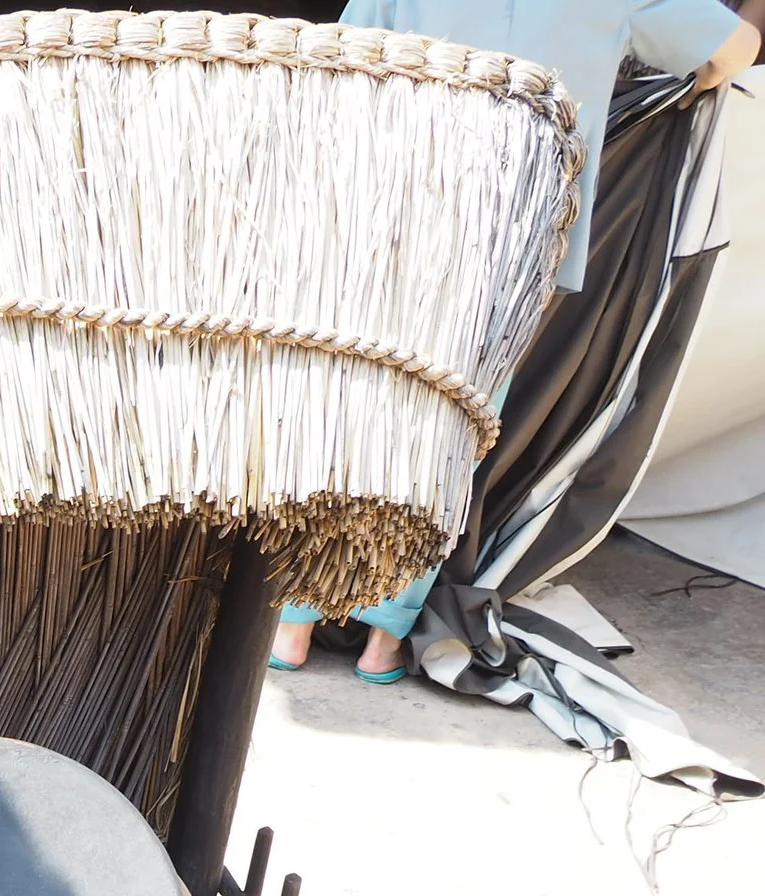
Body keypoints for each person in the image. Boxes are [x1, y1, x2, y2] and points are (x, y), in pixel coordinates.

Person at [270, 0, 763, 682]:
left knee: (351, 410)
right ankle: (385, 636)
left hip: (392, 221)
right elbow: (738, 48)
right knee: (452, 434)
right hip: (515, 239)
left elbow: (328, 68)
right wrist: (704, 72)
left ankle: (294, 621)